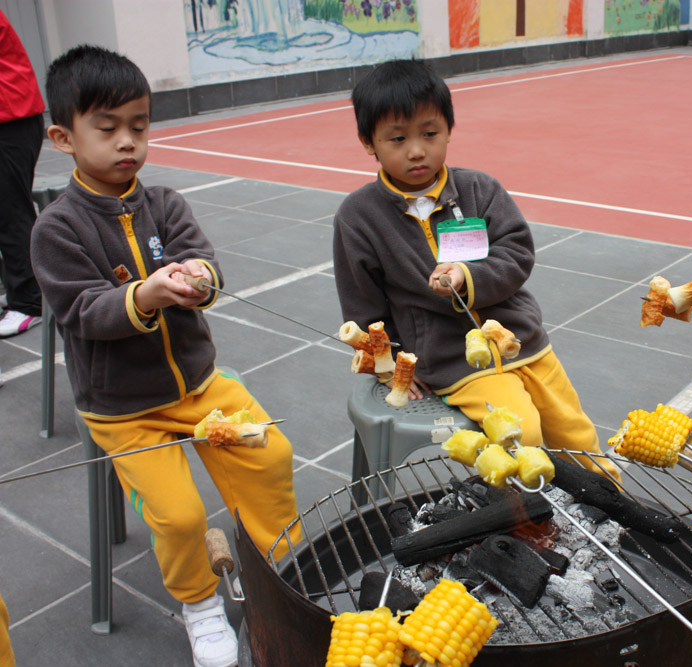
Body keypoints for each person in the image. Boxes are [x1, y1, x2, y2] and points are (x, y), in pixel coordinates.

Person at [30, 45, 299, 667]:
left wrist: (201, 278)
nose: (128, 142)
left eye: (139, 126)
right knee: (179, 517)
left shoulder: (165, 203)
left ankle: (279, 567)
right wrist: (143, 296)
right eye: (108, 129)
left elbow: (204, 260)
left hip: (201, 385)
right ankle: (199, 602)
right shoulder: (57, 229)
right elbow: (83, 313)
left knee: (272, 455)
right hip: (125, 409)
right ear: (63, 138)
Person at [334, 59, 615, 476]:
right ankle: (526, 513)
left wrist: (468, 277)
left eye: (430, 133)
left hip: (523, 339)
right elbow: (364, 307)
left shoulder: (479, 189)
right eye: (398, 138)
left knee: (577, 437)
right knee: (522, 433)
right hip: (454, 361)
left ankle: (609, 504)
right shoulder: (359, 216)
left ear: (449, 128)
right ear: (368, 141)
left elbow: (517, 252)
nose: (417, 150)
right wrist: (390, 367)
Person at [0, 11, 45, 337]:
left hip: (10, 120)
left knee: (10, 213)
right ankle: (20, 290)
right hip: (11, 117)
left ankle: (30, 302)